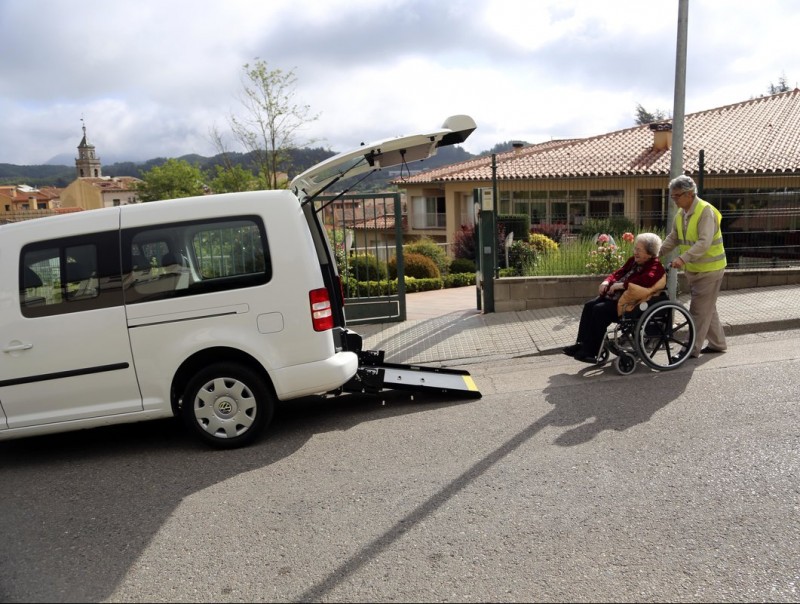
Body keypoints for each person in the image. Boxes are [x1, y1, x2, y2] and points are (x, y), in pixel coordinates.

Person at [563, 232, 666, 363]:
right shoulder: (633, 261)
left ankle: (591, 351)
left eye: (639, 250)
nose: (635, 252)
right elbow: (618, 272)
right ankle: (582, 344)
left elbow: (646, 280)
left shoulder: (655, 267)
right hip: (614, 297)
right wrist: (607, 281)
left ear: (649, 253)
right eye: (635, 248)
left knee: (599, 310)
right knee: (589, 306)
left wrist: (622, 285)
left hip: (629, 304)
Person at [659, 175, 727, 358]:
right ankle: (718, 343)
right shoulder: (681, 214)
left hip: (710, 270)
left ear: (689, 194)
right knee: (707, 309)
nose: (674, 200)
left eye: (677, 196)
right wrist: (657, 252)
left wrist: (682, 258)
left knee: (697, 311)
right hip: (696, 270)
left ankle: (690, 349)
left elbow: (704, 243)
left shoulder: (705, 211)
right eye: (672, 196)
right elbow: (673, 237)